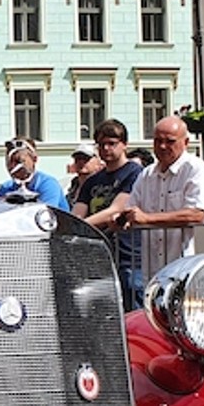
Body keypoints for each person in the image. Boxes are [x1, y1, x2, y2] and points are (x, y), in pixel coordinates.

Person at [127, 116, 204, 281]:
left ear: (186, 142)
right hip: (153, 271)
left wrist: (147, 218)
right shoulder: (146, 174)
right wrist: (122, 219)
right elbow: (132, 209)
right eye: (157, 141)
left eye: (170, 141)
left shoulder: (196, 170)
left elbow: (197, 214)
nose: (162, 146)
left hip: (187, 270)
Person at [75, 120, 144, 307]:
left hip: (128, 257)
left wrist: (79, 227)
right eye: (101, 144)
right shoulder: (92, 181)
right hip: (98, 258)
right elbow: (77, 214)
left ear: (124, 145)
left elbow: (116, 209)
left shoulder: (135, 173)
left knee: (132, 313)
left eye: (111, 143)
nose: (106, 148)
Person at [0, 139, 68, 210]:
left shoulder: (48, 185)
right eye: (9, 162)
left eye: (18, 161)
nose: (12, 166)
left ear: (34, 159)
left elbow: (44, 216)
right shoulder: (6, 188)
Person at [64, 138, 97, 207]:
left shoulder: (100, 186)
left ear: (97, 161)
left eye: (86, 159)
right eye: (78, 158)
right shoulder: (71, 185)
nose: (81, 162)